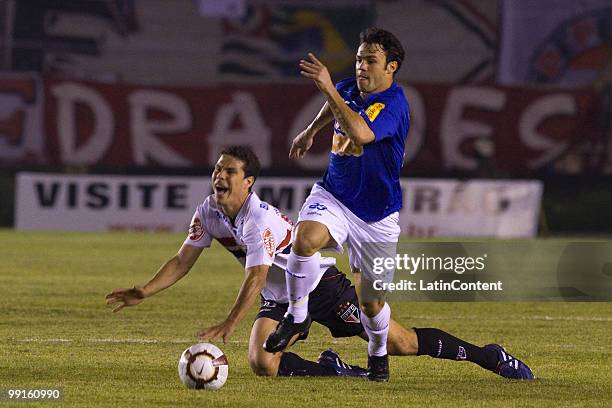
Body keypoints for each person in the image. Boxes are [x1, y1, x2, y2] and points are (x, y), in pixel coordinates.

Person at [106, 146, 534, 380]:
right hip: (280, 297)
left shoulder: (258, 219)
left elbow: (256, 274)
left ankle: (487, 356)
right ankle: (335, 371)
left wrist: (230, 323)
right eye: (218, 169)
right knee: (262, 363)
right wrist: (144, 290)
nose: (220, 176)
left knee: (400, 342)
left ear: (248, 181)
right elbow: (183, 260)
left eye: (230, 171)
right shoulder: (209, 211)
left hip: (321, 288)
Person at [263, 26, 411, 381]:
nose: (361, 66)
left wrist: (328, 87)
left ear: (391, 67)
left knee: (371, 304)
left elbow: (360, 132)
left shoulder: (394, 105)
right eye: (359, 59)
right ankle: (297, 316)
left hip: (377, 217)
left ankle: (377, 356)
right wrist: (311, 131)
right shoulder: (348, 88)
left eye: (370, 61)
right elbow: (334, 106)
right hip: (335, 196)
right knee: (304, 239)